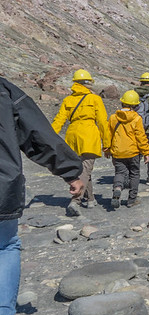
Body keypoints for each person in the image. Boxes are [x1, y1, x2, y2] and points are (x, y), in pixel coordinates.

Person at [0, 77, 84, 315]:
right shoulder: (4, 91)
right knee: (5, 246)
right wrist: (70, 171)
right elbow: (36, 131)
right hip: (1, 184)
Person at [51, 69, 111, 216]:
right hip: (89, 135)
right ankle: (76, 200)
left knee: (82, 169)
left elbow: (58, 121)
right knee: (85, 169)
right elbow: (103, 122)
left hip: (72, 136)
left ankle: (90, 199)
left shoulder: (68, 100)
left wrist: (49, 137)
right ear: (87, 83)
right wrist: (107, 143)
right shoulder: (95, 99)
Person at [106, 91, 149, 209]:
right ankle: (131, 200)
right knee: (134, 175)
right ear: (135, 105)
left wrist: (106, 149)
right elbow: (141, 137)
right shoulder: (136, 118)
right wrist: (146, 152)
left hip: (118, 152)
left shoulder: (113, 118)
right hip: (133, 152)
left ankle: (117, 188)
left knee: (119, 173)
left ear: (122, 102)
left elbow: (108, 135)